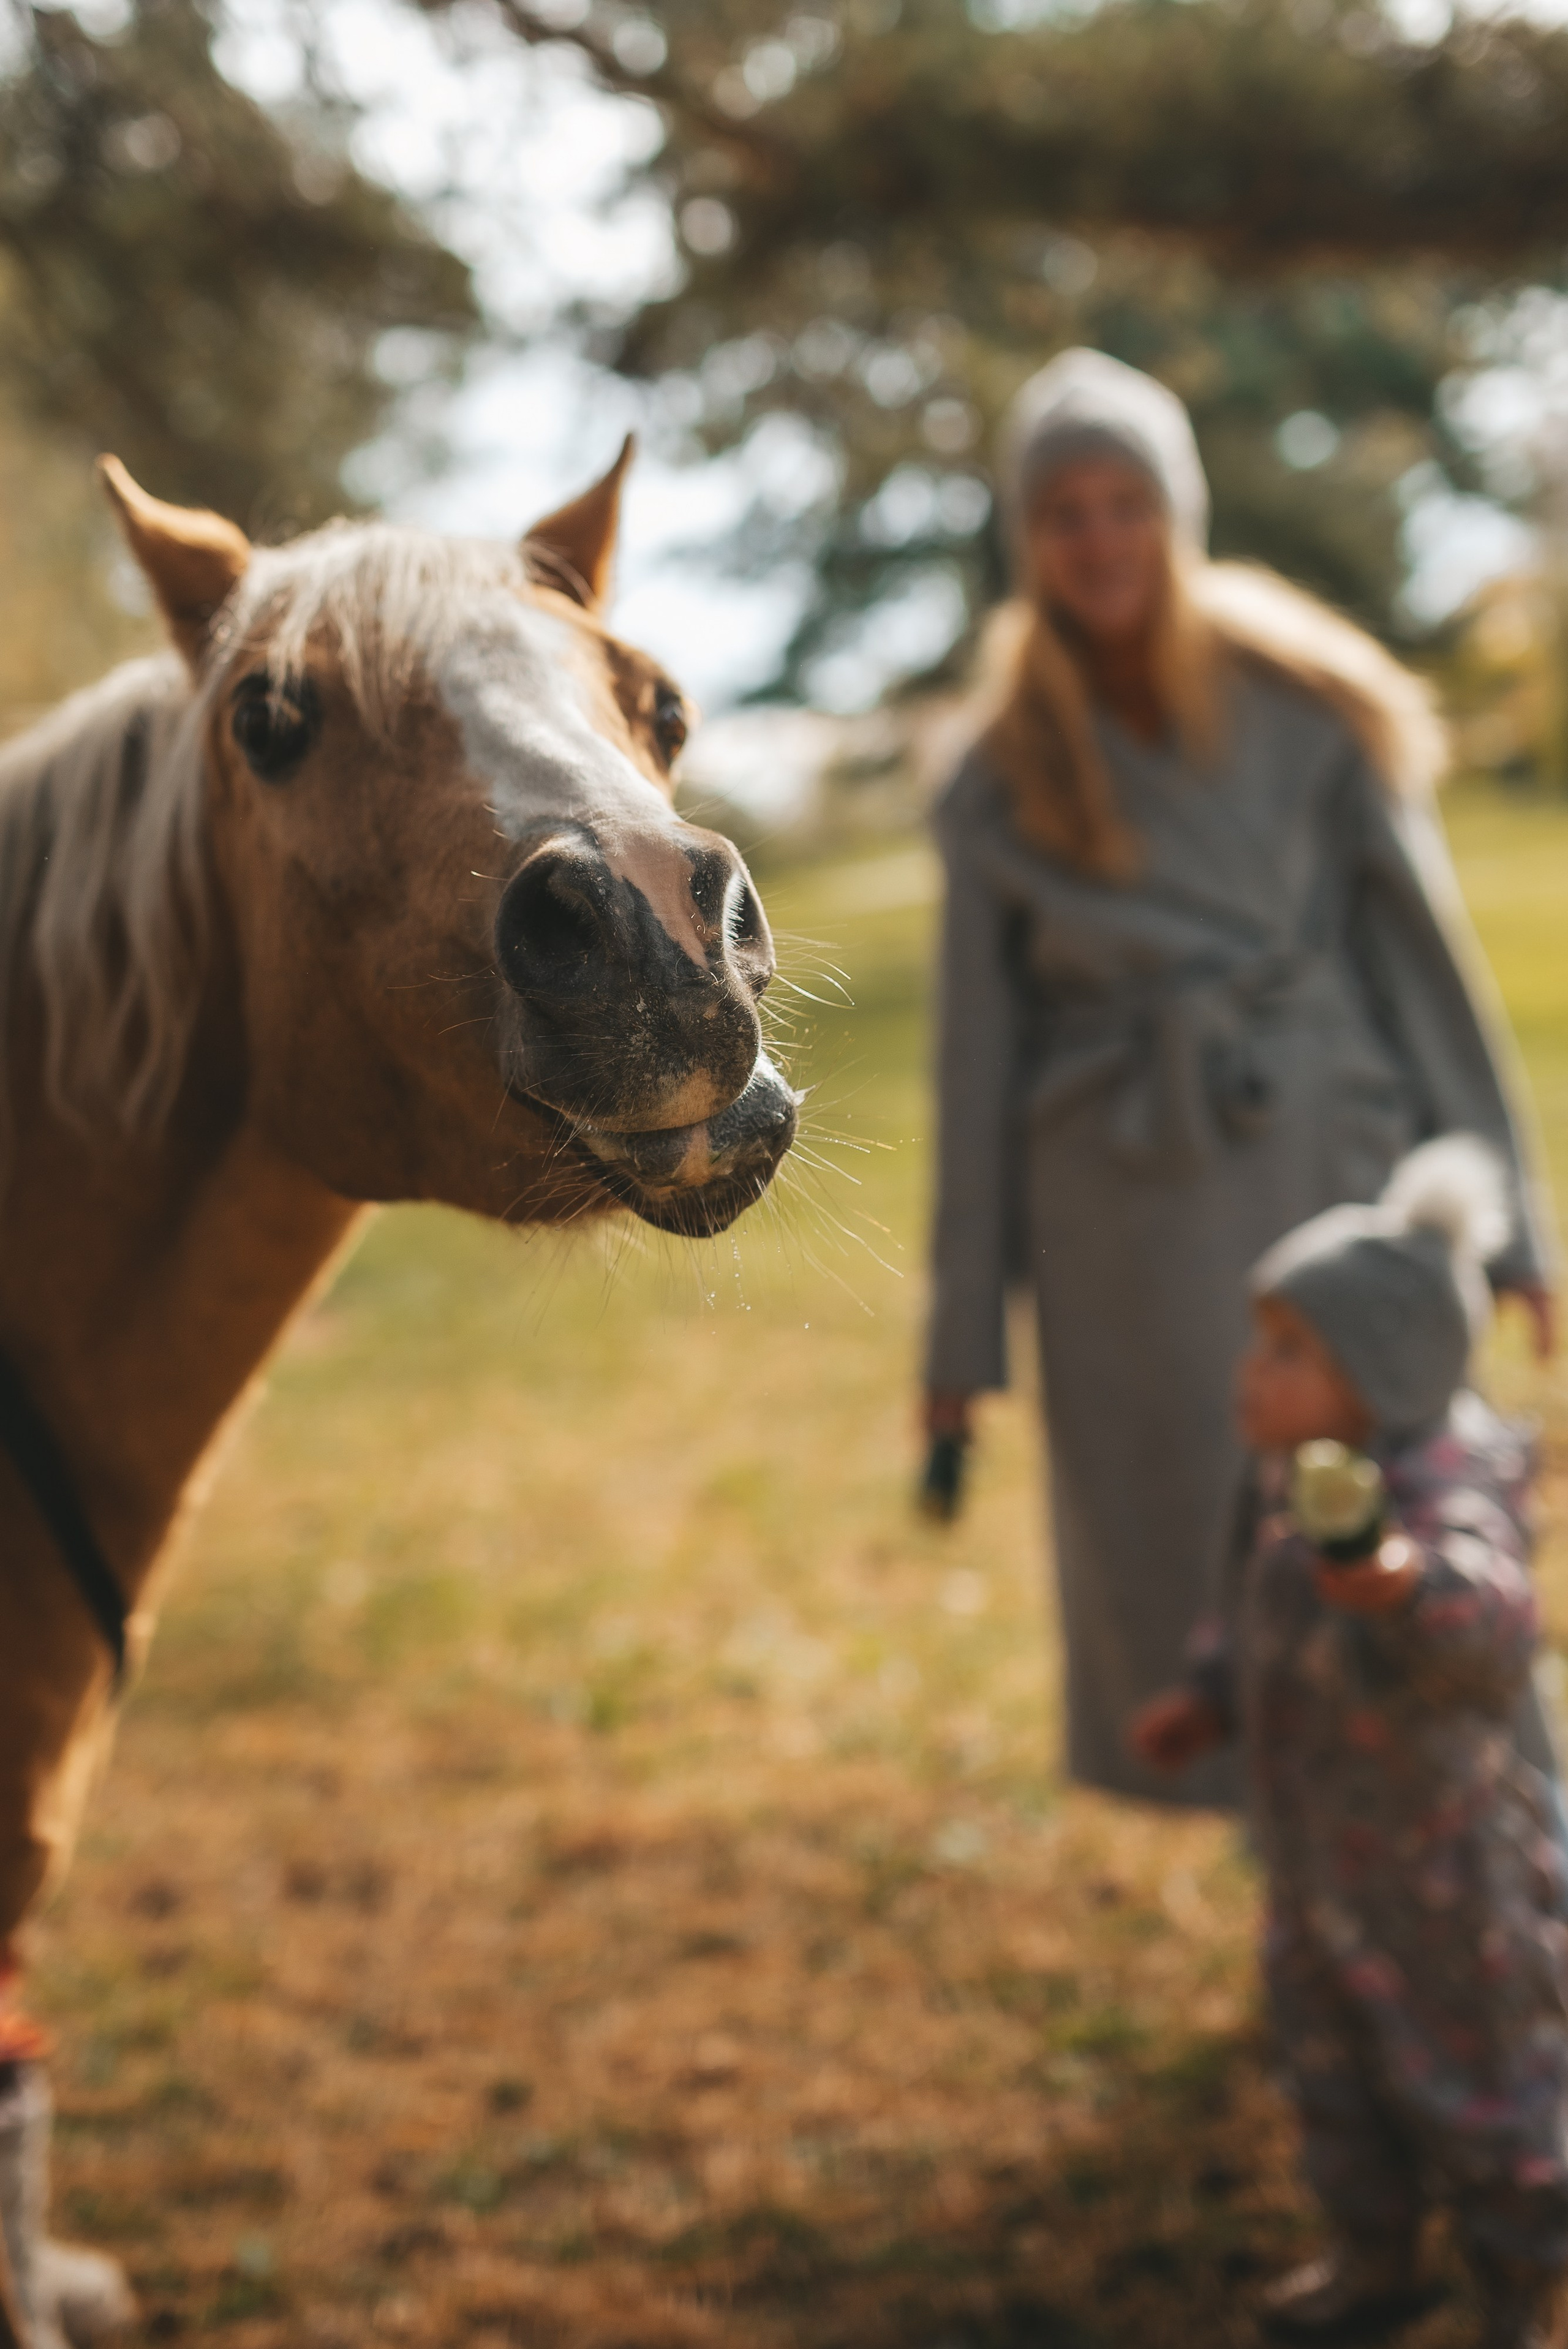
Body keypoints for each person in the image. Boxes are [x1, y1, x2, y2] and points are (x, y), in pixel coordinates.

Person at [924, 345, 1557, 1808]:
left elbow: (1425, 973)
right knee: (1183, 1534)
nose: (1096, 542)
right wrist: (958, 1343)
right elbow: (971, 1066)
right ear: (1027, 541)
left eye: (1122, 503)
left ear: (1176, 511)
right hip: (1117, 1214)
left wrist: (1509, 1220)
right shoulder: (994, 767)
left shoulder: (1310, 698)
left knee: (1383, 1520)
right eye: (1061, 513)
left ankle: (1482, 1844)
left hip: (1319, 1157)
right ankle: (1277, 1845)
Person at [1131, 1138, 1568, 2348]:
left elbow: (1490, 1622)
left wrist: (1401, 1580)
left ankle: (1516, 2283)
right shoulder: (1289, 1482)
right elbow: (1251, 1608)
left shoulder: (1436, 1490)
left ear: (1380, 1371)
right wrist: (1208, 1692)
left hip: (1441, 1874)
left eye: (1285, 1352)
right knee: (1333, 2074)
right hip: (1313, 1855)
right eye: (1256, 1342)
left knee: (1479, 2078)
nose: (1247, 1375)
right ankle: (1368, 2253)